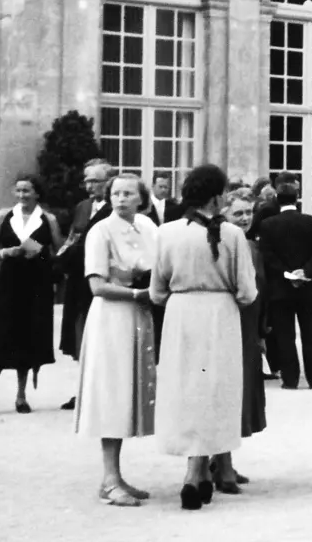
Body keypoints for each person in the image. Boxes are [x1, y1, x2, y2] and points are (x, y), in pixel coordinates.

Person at [152, 165, 258, 510]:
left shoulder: (166, 233)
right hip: (219, 316)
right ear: (216, 197)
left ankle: (194, 470)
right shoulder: (232, 234)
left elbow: (156, 291)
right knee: (215, 391)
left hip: (181, 314)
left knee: (187, 390)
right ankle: (199, 471)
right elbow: (247, 291)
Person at [74, 174, 159, 507]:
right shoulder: (100, 230)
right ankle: (109, 479)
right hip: (112, 318)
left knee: (128, 393)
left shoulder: (150, 227)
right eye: (115, 193)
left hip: (140, 317)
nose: (120, 198)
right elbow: (97, 286)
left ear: (141, 198)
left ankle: (117, 476)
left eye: (128, 193)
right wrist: (141, 292)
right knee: (112, 392)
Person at [0, 176, 62, 415]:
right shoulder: (5, 216)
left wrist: (40, 251)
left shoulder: (49, 219)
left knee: (28, 336)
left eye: (27, 191)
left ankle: (21, 396)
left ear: (37, 194)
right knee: (4, 335)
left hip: (38, 283)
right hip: (11, 281)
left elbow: (58, 251)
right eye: (19, 190)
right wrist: (7, 252)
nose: (22, 195)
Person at [211, 188, 266, 492]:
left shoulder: (255, 247)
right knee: (224, 393)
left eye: (249, 213)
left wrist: (262, 332)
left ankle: (222, 460)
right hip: (227, 325)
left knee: (240, 396)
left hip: (249, 330)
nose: (245, 219)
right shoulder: (221, 244)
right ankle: (222, 464)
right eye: (238, 213)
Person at [58, 160, 118, 408]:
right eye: (87, 180)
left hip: (103, 278)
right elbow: (72, 237)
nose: (89, 185)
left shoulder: (117, 208)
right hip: (78, 278)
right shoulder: (82, 207)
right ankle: (84, 389)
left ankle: (106, 390)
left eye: (95, 180)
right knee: (80, 333)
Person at [262, 180, 312, 390]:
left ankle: (290, 379)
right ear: (296, 199)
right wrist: (305, 271)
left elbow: (267, 256)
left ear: (277, 200)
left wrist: (287, 273)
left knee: (285, 335)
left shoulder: (268, 225)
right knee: (310, 333)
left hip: (280, 287)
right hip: (307, 286)